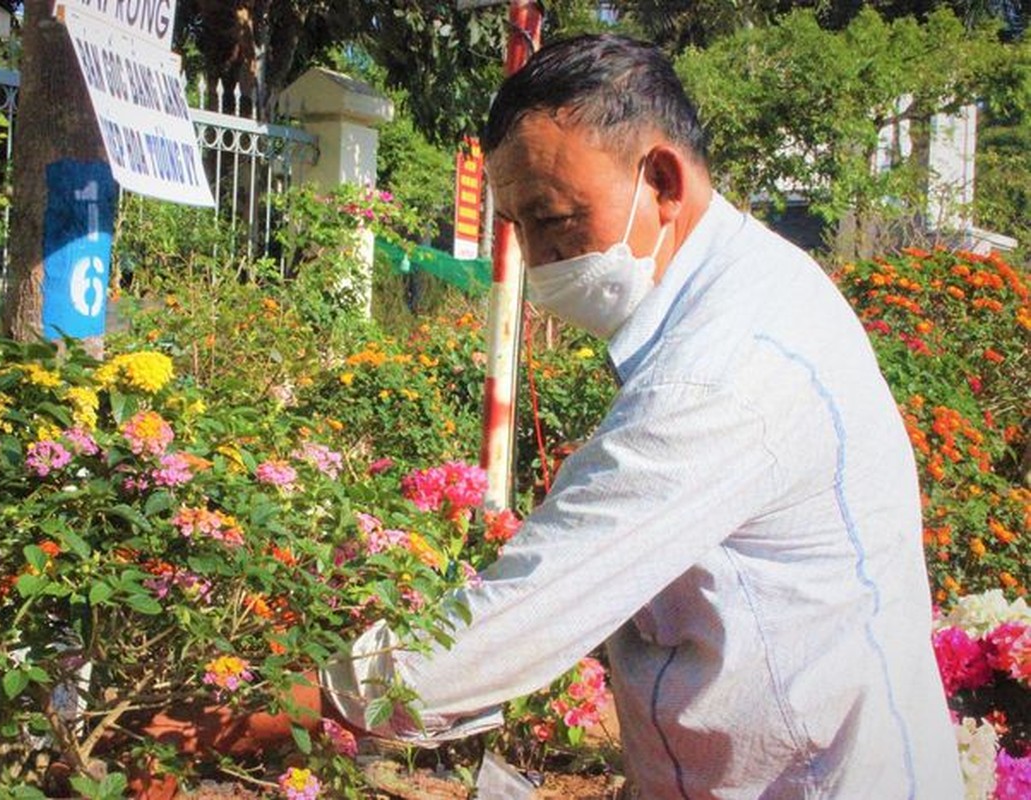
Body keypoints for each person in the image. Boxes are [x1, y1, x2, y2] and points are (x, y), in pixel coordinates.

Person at [315, 34, 964, 799]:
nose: (537, 254)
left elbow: (528, 610)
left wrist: (303, 701)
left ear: (661, 180)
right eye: (518, 225)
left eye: (555, 219)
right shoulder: (741, 286)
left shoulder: (723, 373)